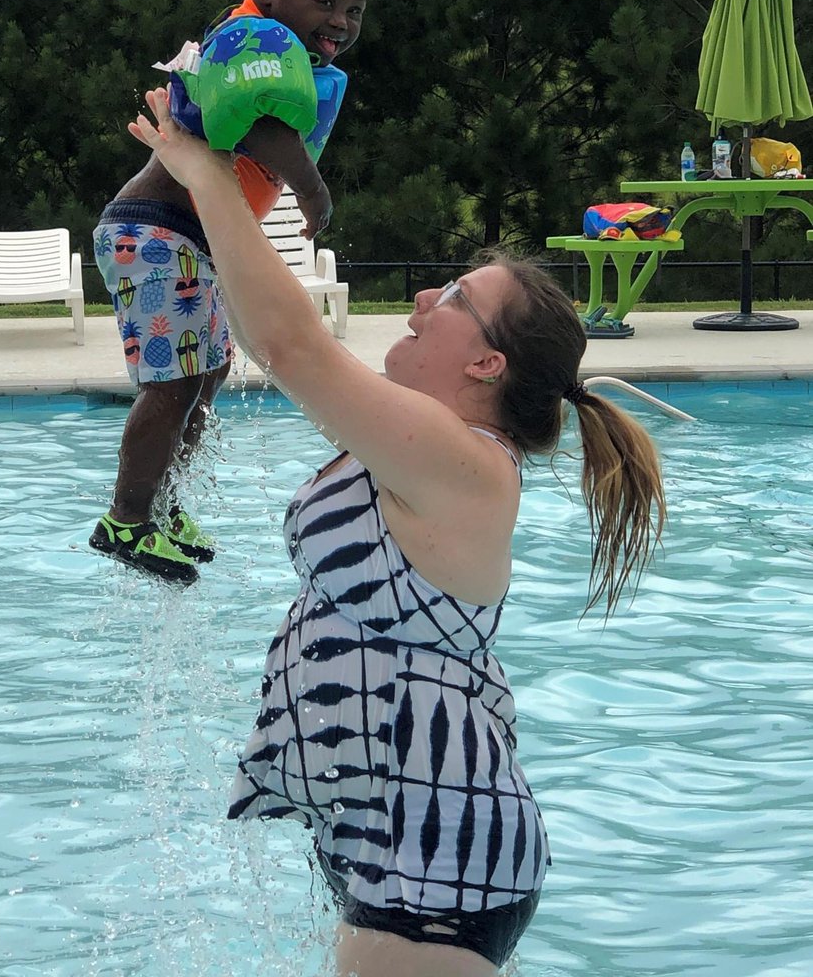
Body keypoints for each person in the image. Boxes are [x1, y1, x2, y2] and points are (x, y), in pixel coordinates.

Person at [126, 87, 666, 975]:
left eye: (454, 295)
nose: (422, 296)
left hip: (441, 859)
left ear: (487, 364)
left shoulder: (468, 465)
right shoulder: (415, 450)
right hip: (401, 836)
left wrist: (205, 174)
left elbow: (294, 348)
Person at [89, 0, 377, 585]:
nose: (340, 21)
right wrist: (312, 188)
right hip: (155, 230)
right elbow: (252, 125)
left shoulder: (281, 49)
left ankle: (162, 504)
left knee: (205, 375)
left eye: (355, 9)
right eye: (326, 0)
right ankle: (125, 520)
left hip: (187, 235)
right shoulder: (253, 41)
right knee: (177, 381)